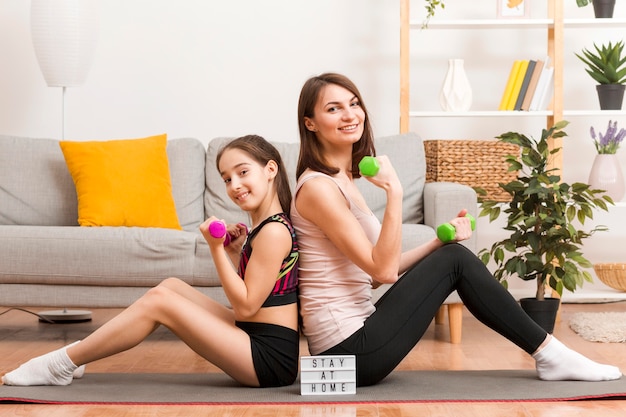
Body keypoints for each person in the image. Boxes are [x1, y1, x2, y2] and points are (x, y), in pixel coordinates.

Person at [291, 72, 623, 387]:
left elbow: (375, 274)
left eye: (354, 103)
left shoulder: (342, 180)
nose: (350, 115)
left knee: (452, 255)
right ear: (310, 122)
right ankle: (551, 353)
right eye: (333, 108)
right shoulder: (319, 188)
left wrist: (437, 240)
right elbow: (385, 270)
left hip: (359, 336)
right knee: (456, 260)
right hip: (348, 352)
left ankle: (550, 353)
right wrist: (394, 193)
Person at [2, 134, 300, 388]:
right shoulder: (265, 227)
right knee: (172, 286)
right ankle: (78, 355)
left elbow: (246, 306)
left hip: (269, 358)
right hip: (254, 335)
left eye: (243, 172)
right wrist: (233, 252)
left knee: (160, 302)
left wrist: (215, 249)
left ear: (270, 169)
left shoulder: (273, 231)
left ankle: (61, 364)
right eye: (227, 178)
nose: (234, 185)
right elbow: (257, 294)